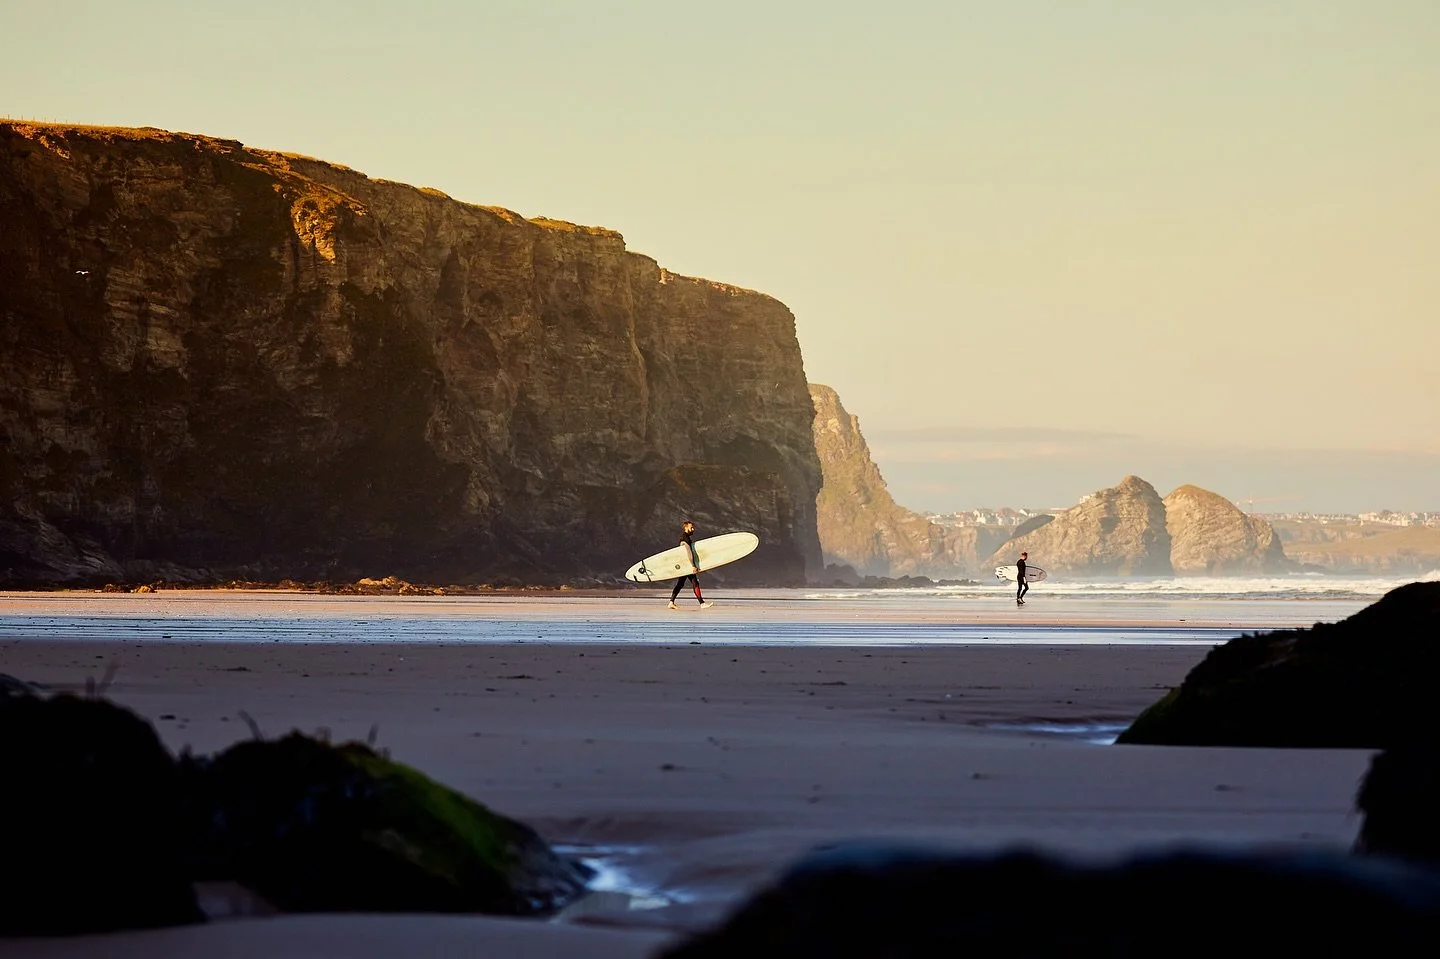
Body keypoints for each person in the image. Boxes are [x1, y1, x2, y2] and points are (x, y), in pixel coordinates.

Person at [669, 520, 714, 610]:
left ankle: (671, 602)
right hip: (688, 565)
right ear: (686, 527)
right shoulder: (684, 538)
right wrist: (692, 565)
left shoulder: (684, 537)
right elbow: (688, 552)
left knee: (680, 584)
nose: (693, 529)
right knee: (695, 583)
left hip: (685, 564)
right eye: (691, 527)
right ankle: (702, 603)